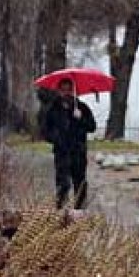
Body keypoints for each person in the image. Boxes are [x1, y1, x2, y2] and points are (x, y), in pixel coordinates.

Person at [42, 78, 97, 209]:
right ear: (59, 91)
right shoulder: (52, 109)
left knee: (80, 183)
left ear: (73, 91)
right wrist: (56, 138)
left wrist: (81, 118)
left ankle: (80, 211)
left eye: (69, 90)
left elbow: (92, 127)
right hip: (61, 152)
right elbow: (45, 131)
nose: (66, 93)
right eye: (63, 90)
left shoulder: (82, 107)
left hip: (78, 152)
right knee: (62, 184)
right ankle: (61, 211)